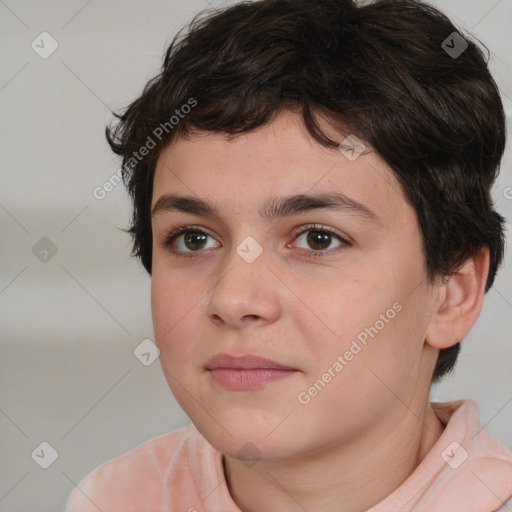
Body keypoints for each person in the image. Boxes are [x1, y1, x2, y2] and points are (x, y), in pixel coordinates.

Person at [65, 0, 512, 510]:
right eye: (194, 238)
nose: (233, 299)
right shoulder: (108, 498)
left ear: (453, 292)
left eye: (318, 238)